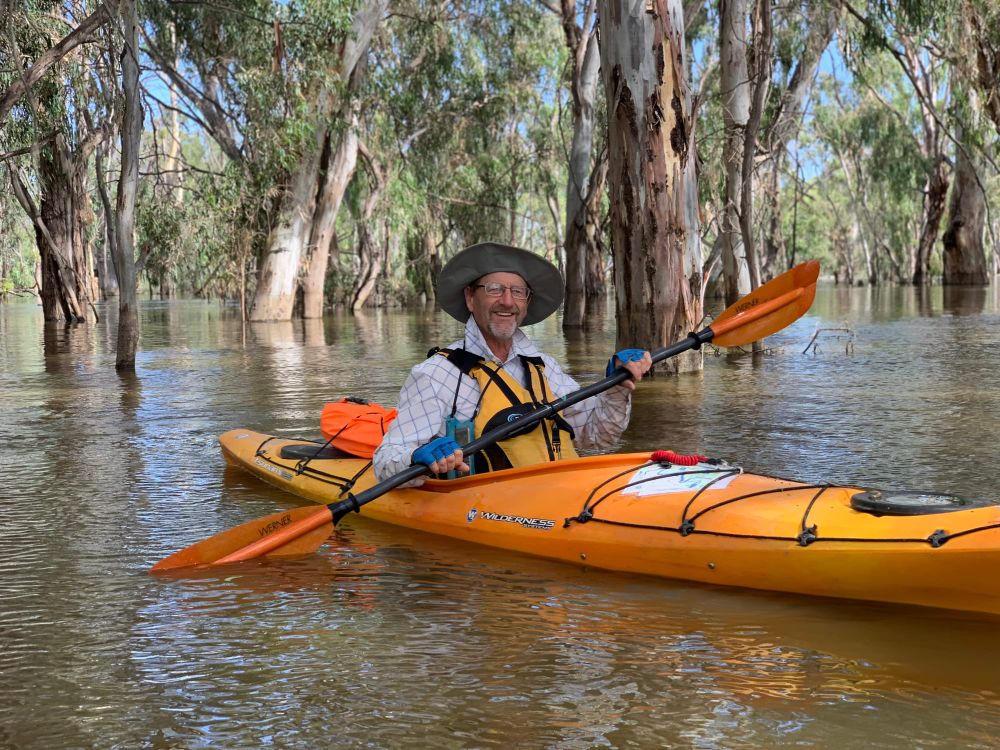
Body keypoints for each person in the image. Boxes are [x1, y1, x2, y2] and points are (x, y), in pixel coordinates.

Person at [372, 241, 652, 482]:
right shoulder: (434, 375)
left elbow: (596, 435)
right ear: (471, 297)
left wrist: (615, 388)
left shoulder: (544, 367)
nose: (507, 301)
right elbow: (386, 461)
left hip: (565, 495)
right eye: (494, 289)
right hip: (489, 508)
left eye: (518, 292)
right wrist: (416, 457)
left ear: (526, 302)